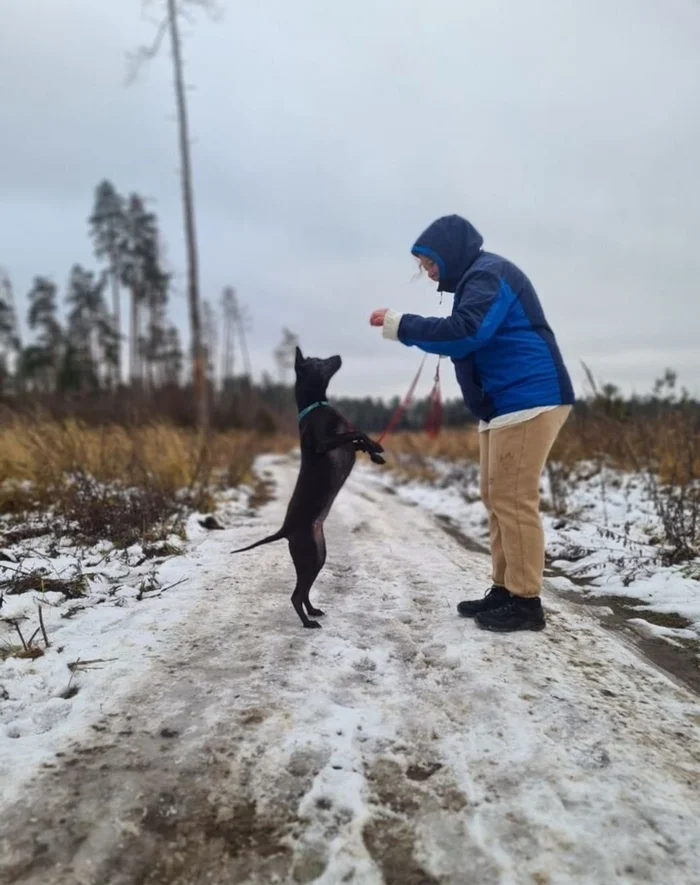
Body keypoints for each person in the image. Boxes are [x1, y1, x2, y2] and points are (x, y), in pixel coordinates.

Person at [370, 214, 574, 633]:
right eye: (422, 266)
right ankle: (504, 588)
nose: (427, 272)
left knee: (513, 498)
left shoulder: (489, 274)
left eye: (429, 262)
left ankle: (525, 601)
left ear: (449, 251)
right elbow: (467, 334)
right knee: (496, 496)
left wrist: (402, 324)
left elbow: (468, 332)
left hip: (529, 396)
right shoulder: (473, 282)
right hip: (503, 405)